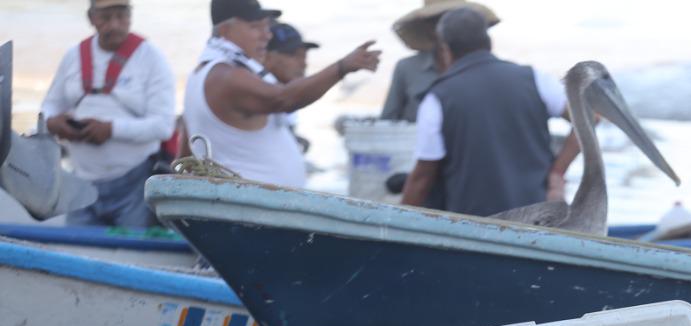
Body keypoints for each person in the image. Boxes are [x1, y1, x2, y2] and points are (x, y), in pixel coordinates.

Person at [399, 8, 576, 217]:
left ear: (445, 49)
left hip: (475, 228)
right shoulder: (535, 79)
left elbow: (422, 179)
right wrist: (557, 172)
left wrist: (395, 224)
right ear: (488, 42)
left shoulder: (438, 98)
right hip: (537, 220)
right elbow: (590, 119)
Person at [183, 0, 380, 187]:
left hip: (252, 208)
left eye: (266, 27)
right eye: (255, 27)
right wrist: (341, 67)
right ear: (226, 31)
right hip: (245, 211)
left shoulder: (202, 73)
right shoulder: (225, 76)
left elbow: (184, 150)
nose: (266, 35)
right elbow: (283, 98)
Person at [40, 0, 176, 227]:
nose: (114, 25)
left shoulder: (152, 58)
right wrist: (53, 123)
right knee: (77, 256)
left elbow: (163, 126)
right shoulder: (73, 56)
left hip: (135, 184)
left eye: (122, 16)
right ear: (91, 18)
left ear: (131, 15)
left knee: (133, 255)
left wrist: (111, 130)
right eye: (105, 17)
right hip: (80, 185)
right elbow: (49, 107)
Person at [381, 1, 501, 123]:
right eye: (444, 20)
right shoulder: (407, 68)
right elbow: (388, 120)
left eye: (459, 20)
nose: (453, 26)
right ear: (430, 27)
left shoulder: (485, 68)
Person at [261, 22, 318, 152]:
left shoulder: (285, 91)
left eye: (304, 56)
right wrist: (341, 69)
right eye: (294, 55)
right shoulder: (257, 93)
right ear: (267, 56)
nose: (303, 63)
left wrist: (293, 138)